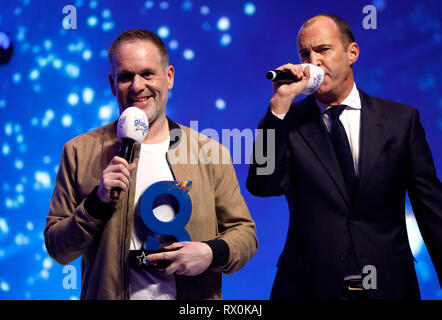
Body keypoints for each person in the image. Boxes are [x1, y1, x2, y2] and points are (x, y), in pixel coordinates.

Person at [45, 29, 257, 300]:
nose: (136, 86)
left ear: (169, 77)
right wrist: (95, 204)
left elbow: (245, 234)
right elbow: (58, 248)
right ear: (112, 84)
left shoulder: (210, 152)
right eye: (125, 77)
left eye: (147, 74)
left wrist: (211, 252)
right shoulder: (79, 152)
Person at [247, 14, 442, 300]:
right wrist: (278, 107)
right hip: (308, 289)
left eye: (323, 50)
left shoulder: (401, 121)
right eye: (305, 54)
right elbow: (262, 186)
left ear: (352, 53)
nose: (313, 61)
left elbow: (431, 210)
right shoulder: (285, 121)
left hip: (387, 288)